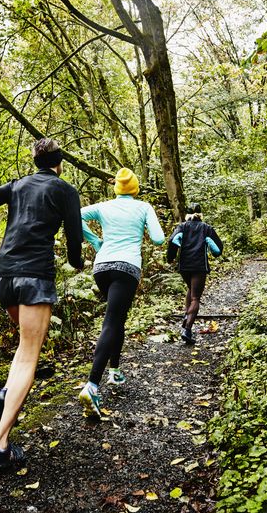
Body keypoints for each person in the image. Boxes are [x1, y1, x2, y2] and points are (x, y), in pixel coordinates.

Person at [0, 138, 84, 467]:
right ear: (59, 164)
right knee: (30, 355)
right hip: (35, 277)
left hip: (3, 277)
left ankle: (7, 392)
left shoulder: (17, 186)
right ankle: (0, 446)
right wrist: (78, 262)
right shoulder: (65, 190)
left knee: (23, 345)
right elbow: (75, 242)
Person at [78, 168, 165, 417]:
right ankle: (92, 385)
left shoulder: (103, 206)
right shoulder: (144, 207)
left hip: (102, 268)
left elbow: (74, 215)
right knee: (112, 321)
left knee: (118, 319)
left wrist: (95, 241)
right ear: (135, 188)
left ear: (116, 188)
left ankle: (115, 371)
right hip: (126, 268)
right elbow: (158, 239)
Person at [167, 203, 223, 345]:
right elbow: (217, 250)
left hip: (184, 266)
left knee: (191, 290)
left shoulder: (182, 227)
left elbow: (172, 241)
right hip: (199, 266)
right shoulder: (206, 228)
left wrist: (170, 258)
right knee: (195, 298)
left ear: (187, 214)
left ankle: (187, 317)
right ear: (200, 214)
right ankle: (187, 329)